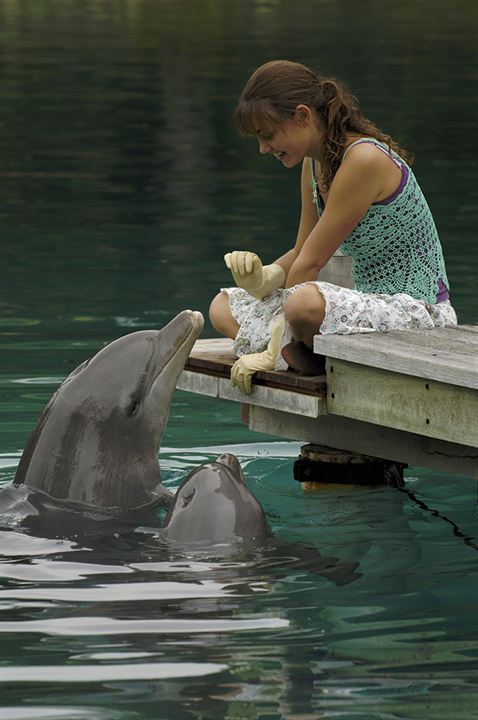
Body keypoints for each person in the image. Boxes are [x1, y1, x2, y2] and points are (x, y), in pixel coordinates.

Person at [209, 60, 457, 394]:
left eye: (267, 135)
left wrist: (270, 351)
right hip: (366, 302)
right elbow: (301, 251)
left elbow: (311, 264)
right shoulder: (313, 164)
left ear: (302, 116)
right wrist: (261, 278)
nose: (263, 148)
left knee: (303, 304)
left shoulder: (364, 159)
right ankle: (301, 351)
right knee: (222, 307)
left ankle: (286, 350)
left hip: (417, 313)